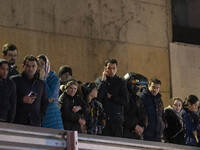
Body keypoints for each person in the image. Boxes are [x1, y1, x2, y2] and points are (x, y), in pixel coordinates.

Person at [11, 55, 49, 127]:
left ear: (37, 67)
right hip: (18, 121)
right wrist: (22, 99)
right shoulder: (14, 80)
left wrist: (40, 117)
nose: (30, 69)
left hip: (35, 123)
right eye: (28, 66)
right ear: (23, 66)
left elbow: (45, 102)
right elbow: (8, 99)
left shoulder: (41, 84)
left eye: (33, 66)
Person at [95, 59, 129, 137]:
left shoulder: (121, 82)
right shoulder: (99, 81)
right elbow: (97, 97)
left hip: (116, 119)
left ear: (116, 69)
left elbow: (125, 100)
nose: (112, 71)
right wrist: (103, 81)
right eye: (109, 68)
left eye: (114, 68)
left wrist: (112, 97)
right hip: (103, 119)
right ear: (105, 69)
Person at [37, 54, 64, 129]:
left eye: (42, 64)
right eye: (38, 64)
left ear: (47, 65)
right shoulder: (36, 79)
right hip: (41, 117)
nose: (40, 67)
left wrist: (43, 80)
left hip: (52, 116)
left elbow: (51, 96)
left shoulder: (54, 79)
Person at [123, 72, 148, 139]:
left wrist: (142, 126)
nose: (138, 88)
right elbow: (121, 115)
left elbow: (143, 114)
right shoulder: (123, 97)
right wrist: (134, 126)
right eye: (136, 85)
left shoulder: (137, 98)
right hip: (125, 133)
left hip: (137, 134)